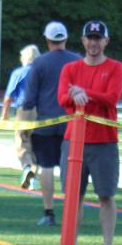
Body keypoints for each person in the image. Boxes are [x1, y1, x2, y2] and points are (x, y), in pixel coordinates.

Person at [57, 20, 122, 245]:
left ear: (106, 41)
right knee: (73, 197)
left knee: (106, 195)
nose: (93, 43)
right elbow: (63, 99)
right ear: (83, 41)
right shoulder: (70, 68)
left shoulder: (115, 67)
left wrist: (83, 93)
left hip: (104, 141)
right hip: (74, 141)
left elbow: (111, 98)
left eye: (98, 38)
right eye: (90, 38)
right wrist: (75, 94)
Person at [22, 21, 81, 226]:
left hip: (44, 123)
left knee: (46, 167)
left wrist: (24, 126)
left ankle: (49, 212)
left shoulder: (39, 63)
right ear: (66, 39)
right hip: (71, 124)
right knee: (70, 170)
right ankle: (71, 214)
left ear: (47, 41)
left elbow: (29, 100)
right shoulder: (77, 61)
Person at [1, 44, 40, 188]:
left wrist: (4, 114)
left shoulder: (19, 73)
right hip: (41, 110)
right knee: (37, 143)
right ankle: (34, 176)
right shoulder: (42, 72)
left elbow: (8, 97)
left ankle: (27, 167)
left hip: (24, 110)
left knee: (22, 141)